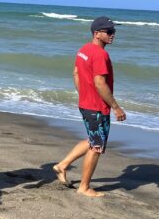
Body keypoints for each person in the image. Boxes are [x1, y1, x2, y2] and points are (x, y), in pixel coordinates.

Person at [53, 16, 127, 197]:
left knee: (94, 140)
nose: (113, 35)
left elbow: (76, 73)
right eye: (109, 32)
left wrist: (83, 94)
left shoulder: (83, 50)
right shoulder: (100, 54)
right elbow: (100, 83)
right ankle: (84, 187)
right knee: (97, 147)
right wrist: (116, 107)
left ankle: (62, 165)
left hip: (86, 104)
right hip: (97, 107)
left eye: (114, 31)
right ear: (97, 33)